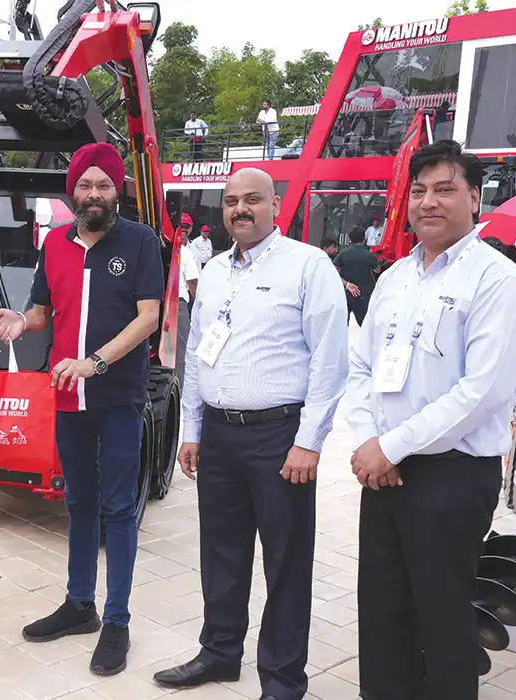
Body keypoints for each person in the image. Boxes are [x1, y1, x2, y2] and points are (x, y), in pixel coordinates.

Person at [346, 140, 516, 699]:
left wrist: (393, 446)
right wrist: (369, 443)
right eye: (421, 191)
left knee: (441, 614)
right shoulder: (395, 278)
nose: (429, 203)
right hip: (382, 469)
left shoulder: (497, 281)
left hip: (451, 475)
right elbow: (361, 365)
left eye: (446, 190)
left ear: (475, 198)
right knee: (382, 608)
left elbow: (481, 392)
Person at [154, 168, 348, 700]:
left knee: (285, 560)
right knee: (221, 551)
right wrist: (191, 431)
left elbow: (330, 363)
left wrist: (309, 441)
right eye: (232, 201)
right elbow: (196, 357)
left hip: (279, 438)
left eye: (253, 200)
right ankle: (219, 653)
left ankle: (283, 679)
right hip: (219, 436)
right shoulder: (213, 270)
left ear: (275, 204)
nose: (241, 210)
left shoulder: (308, 267)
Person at [0, 142, 164, 676]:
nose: (94, 194)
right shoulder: (56, 245)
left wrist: (97, 362)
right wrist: (23, 322)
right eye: (85, 185)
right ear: (73, 191)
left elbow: (148, 318)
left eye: (104, 185)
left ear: (118, 191)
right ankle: (79, 604)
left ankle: (117, 621)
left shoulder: (139, 242)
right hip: (67, 398)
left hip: (117, 397)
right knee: (78, 502)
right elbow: (44, 311)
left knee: (117, 509)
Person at [333, 227, 378, 326]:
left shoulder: (343, 253)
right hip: (363, 295)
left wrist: (347, 283)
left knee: (341, 325)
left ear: (350, 239)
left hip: (345, 293)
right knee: (366, 325)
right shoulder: (369, 255)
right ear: (364, 239)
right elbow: (377, 269)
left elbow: (332, 272)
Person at [176, 229, 201, 383]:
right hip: (178, 304)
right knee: (181, 350)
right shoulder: (184, 253)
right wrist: (196, 305)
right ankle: (182, 386)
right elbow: (192, 281)